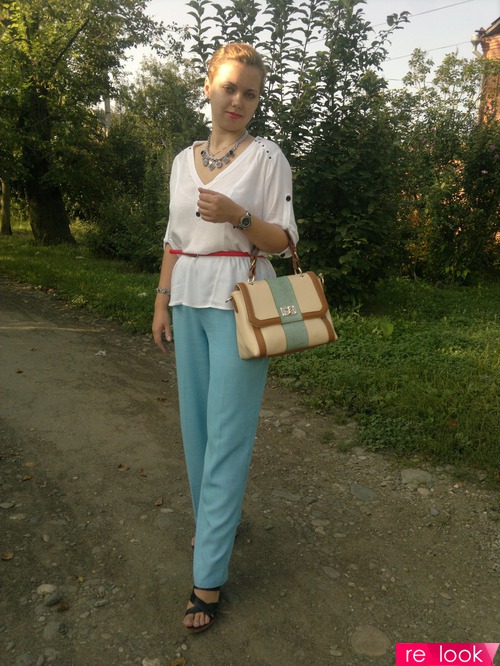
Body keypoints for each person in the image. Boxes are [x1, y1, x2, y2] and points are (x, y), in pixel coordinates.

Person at [152, 42, 298, 633]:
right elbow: (173, 239)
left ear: (258, 102)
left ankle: (207, 576)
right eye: (230, 87)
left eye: (251, 93)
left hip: (242, 301)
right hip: (188, 296)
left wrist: (239, 215)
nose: (238, 100)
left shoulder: (267, 158)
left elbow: (283, 242)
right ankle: (218, 521)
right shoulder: (181, 161)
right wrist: (161, 300)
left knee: (228, 435)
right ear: (209, 87)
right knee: (196, 430)